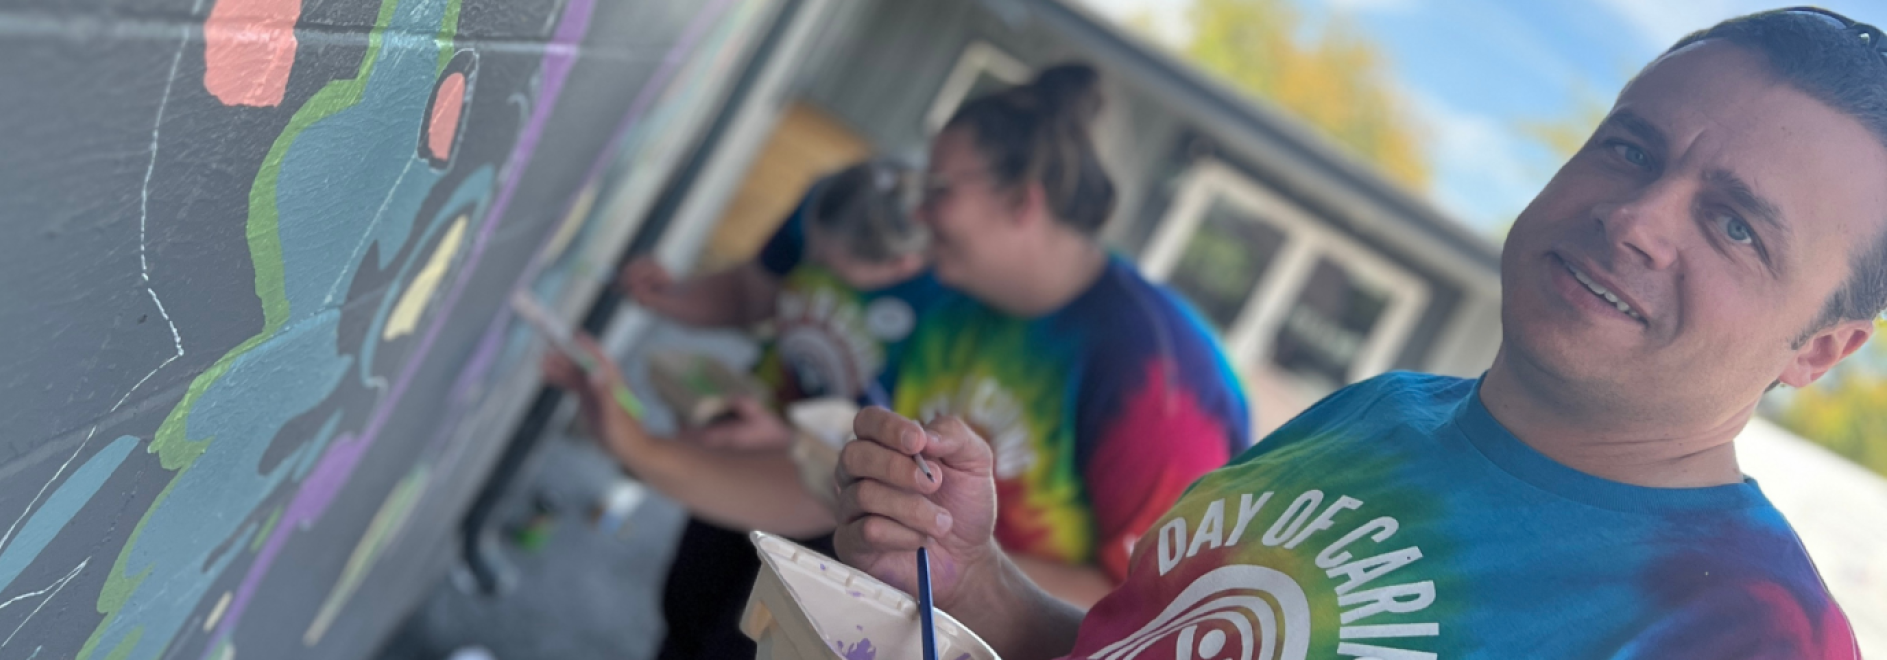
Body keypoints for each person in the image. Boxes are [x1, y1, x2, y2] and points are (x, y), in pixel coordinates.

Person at [832, 9, 1875, 659]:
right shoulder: (1378, 412)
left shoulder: (1748, 632)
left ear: (1819, 350)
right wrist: (972, 575)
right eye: (1631, 149)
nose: (1639, 220)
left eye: (1734, 225)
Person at [546, 62, 1252, 646]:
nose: (916, 212)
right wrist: (646, 445)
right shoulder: (956, 293)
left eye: (940, 191)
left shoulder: (1162, 382)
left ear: (1024, 203)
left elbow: (1158, 617)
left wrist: (954, 560)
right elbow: (846, 488)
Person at [612, 159, 949, 660]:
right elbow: (753, 292)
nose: (811, 266)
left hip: (839, 505)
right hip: (755, 440)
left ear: (903, 268)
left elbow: (916, 466)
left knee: (744, 643)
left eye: (830, 267)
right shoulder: (831, 198)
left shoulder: (953, 307)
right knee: (688, 602)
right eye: (810, 252)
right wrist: (672, 297)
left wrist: (788, 441)